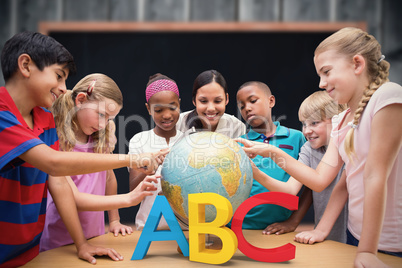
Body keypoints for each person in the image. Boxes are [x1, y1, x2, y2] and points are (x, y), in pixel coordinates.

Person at [236, 27, 402, 266]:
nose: (322, 83)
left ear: (357, 64)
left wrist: (367, 250)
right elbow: (326, 181)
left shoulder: (387, 97)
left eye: (326, 72)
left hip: (385, 243)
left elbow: (375, 175)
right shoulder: (342, 121)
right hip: (356, 236)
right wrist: (321, 230)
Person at [0, 31, 165, 267]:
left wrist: (82, 244)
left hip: (31, 249)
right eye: (58, 76)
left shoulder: (44, 118)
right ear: (26, 65)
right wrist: (131, 161)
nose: (62, 87)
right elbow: (54, 163)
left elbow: (58, 182)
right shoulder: (4, 115)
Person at [39, 73, 145, 251]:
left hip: (95, 236)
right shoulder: (57, 139)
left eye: (109, 118)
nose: (104, 124)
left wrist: (114, 220)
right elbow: (73, 199)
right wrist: (128, 199)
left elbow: (109, 178)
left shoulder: (101, 137)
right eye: (101, 114)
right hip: (59, 240)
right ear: (80, 100)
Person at [251, 90, 348, 243]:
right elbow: (289, 190)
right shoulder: (309, 149)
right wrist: (254, 172)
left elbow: (324, 183)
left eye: (314, 123)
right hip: (329, 237)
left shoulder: (349, 146)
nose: (307, 131)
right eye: (304, 124)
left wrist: (272, 152)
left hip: (355, 234)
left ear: (336, 120)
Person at [235, 81, 306, 230]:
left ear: (271, 101)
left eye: (253, 101)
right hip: (239, 226)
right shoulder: (239, 145)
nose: (247, 108)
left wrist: (293, 222)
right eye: (241, 106)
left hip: (279, 228)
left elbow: (310, 186)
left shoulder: (296, 138)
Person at [129, 73, 183, 230]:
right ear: (148, 109)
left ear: (179, 104)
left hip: (185, 228)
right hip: (149, 228)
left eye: (172, 108)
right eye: (158, 110)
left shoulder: (188, 140)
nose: (167, 115)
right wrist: (149, 169)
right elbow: (133, 190)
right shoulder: (139, 141)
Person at [176, 69, 246, 138]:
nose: (211, 108)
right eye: (203, 101)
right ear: (194, 100)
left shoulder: (237, 127)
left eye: (218, 101)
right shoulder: (177, 124)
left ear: (226, 99)